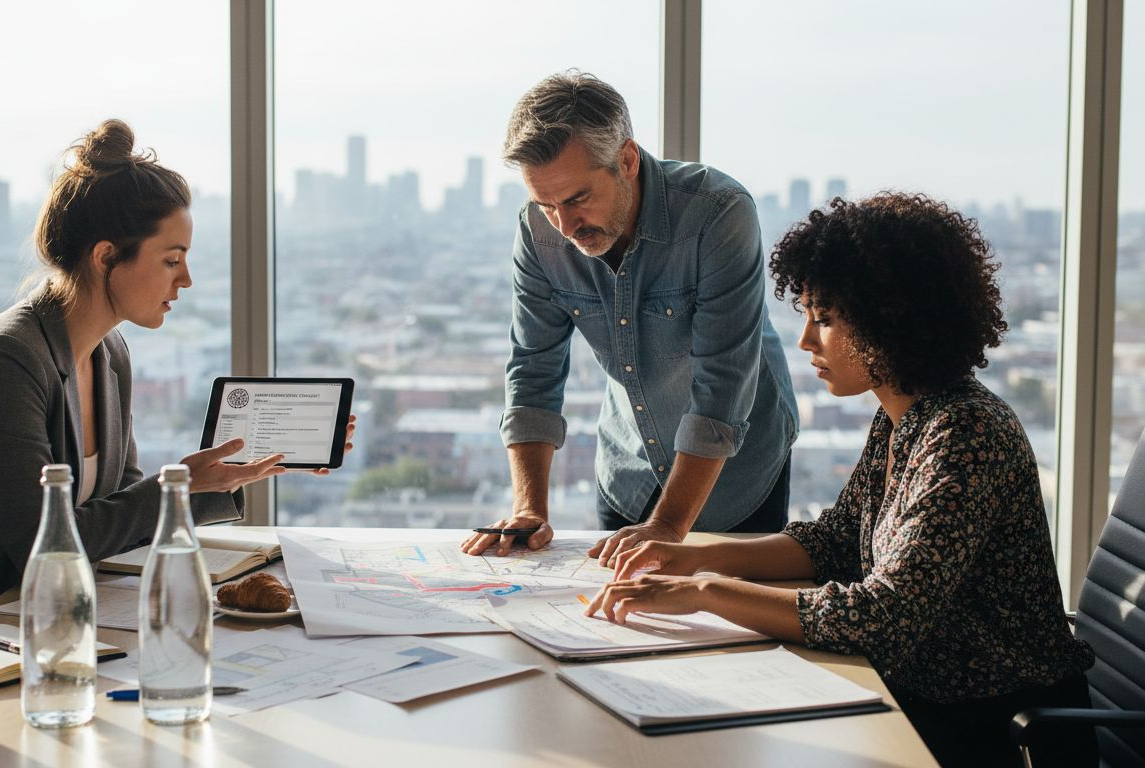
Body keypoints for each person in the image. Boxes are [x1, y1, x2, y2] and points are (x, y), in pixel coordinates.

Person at [585, 193, 1096, 768]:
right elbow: (834, 541)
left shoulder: (967, 433)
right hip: (923, 699)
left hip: (994, 728)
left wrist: (705, 591)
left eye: (824, 319)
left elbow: (884, 619)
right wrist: (696, 557)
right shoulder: (906, 417)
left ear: (891, 318)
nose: (806, 341)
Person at [0, 120, 353, 642]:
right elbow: (43, 546)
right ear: (105, 256)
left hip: (38, 625)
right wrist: (176, 486)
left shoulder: (109, 353)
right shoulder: (3, 360)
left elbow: (118, 515)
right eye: (171, 260)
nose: (185, 279)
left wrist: (224, 476)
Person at [462, 71, 797, 562]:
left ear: (627, 160)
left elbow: (723, 388)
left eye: (577, 199)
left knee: (728, 629)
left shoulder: (718, 214)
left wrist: (667, 524)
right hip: (628, 471)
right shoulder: (539, 232)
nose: (565, 225)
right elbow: (533, 369)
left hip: (735, 476)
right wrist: (529, 508)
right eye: (545, 204)